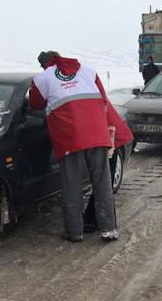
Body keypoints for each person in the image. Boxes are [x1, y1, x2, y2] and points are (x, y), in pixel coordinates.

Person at [30, 51, 119, 243]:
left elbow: (35, 104)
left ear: (44, 64)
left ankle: (74, 232)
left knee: (72, 184)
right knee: (102, 181)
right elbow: (103, 100)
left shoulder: (43, 78)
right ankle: (108, 230)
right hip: (97, 132)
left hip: (70, 136)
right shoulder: (88, 71)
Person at [83, 99, 133, 233]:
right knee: (105, 182)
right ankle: (95, 220)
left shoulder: (83, 86)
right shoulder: (84, 85)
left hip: (109, 135)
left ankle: (95, 220)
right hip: (105, 133)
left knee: (104, 183)